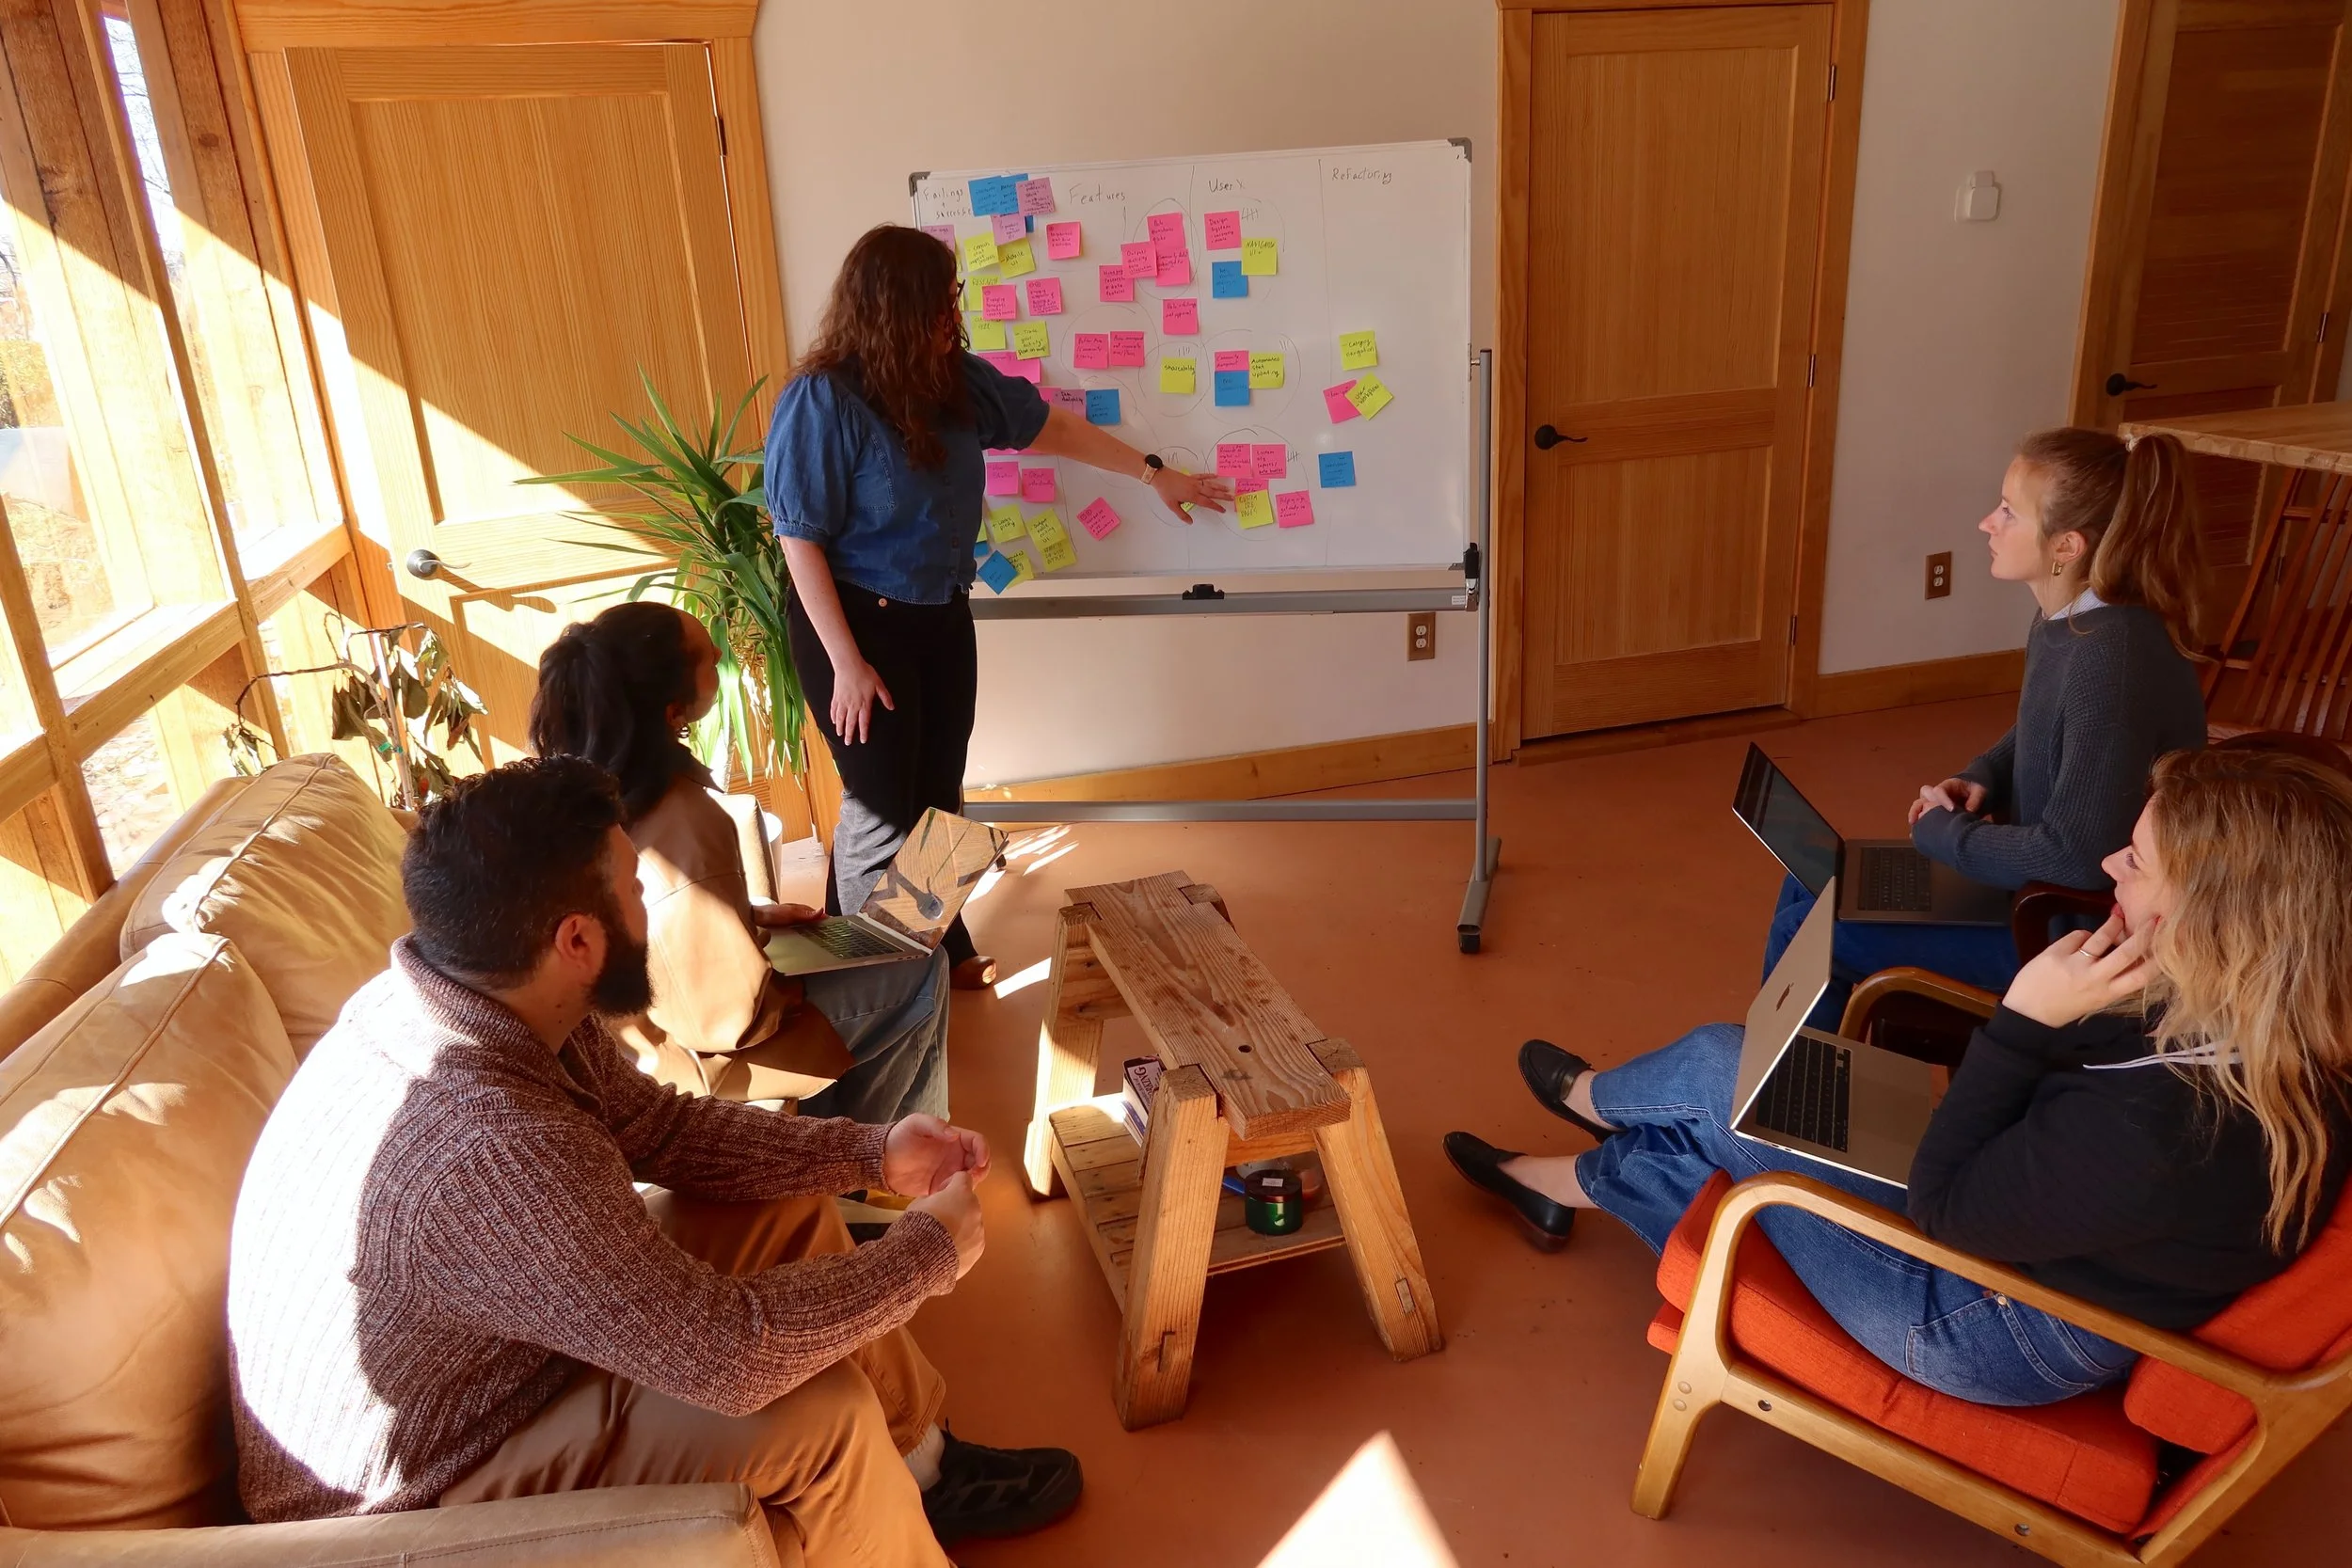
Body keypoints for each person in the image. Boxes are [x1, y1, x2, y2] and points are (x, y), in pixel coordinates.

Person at [226, 756, 1083, 1558]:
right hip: (395, 1502)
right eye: (636, 887)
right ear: (576, 939)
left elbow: (667, 1132)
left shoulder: (483, 996)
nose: (648, 905)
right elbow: (728, 1357)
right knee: (817, 1417)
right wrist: (927, 1254)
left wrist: (871, 1151)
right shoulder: (489, 1145)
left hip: (482, 1367)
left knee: (783, 1205)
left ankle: (926, 1471)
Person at [1447, 745, 2352, 1407]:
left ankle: (1589, 1118)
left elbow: (1943, 1206)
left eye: (2138, 861)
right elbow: (2053, 1138)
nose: (2111, 865)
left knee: (1727, 1088)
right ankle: (1578, 1158)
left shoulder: (2169, 1132)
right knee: (1751, 1076)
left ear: (2227, 917)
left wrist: (2025, 1020)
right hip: (2032, 1218)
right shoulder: (2268, 1017)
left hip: (1983, 1320)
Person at [768, 223, 1234, 990]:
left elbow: (1054, 429)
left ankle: (932, 951)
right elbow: (798, 538)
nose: (955, 309)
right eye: (942, 297)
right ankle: (868, 996)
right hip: (853, 627)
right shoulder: (825, 398)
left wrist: (1155, 475)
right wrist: (847, 664)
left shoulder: (955, 380)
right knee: (881, 815)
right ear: (896, 304)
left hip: (939, 618)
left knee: (939, 802)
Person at [1765, 427, 2208, 1025]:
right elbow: (2041, 728)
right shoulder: (2071, 619)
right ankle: (1787, 1091)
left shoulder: (2112, 658)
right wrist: (1982, 775)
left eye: (2007, 512)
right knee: (1811, 886)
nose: (1986, 523)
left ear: (2067, 546)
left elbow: (2077, 856)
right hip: (2031, 890)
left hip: (2069, 930)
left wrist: (1946, 837)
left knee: (1810, 933)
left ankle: (1783, 1111)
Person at [530, 600, 949, 1123]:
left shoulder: (573, 788)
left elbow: (654, 926)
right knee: (923, 966)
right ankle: (869, 1153)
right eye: (709, 657)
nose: (722, 657)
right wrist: (788, 979)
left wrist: (745, 918)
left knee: (871, 956)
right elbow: (728, 1022)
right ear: (673, 711)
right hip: (687, 1063)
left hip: (630, 1036)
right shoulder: (683, 818)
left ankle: (898, 1142)